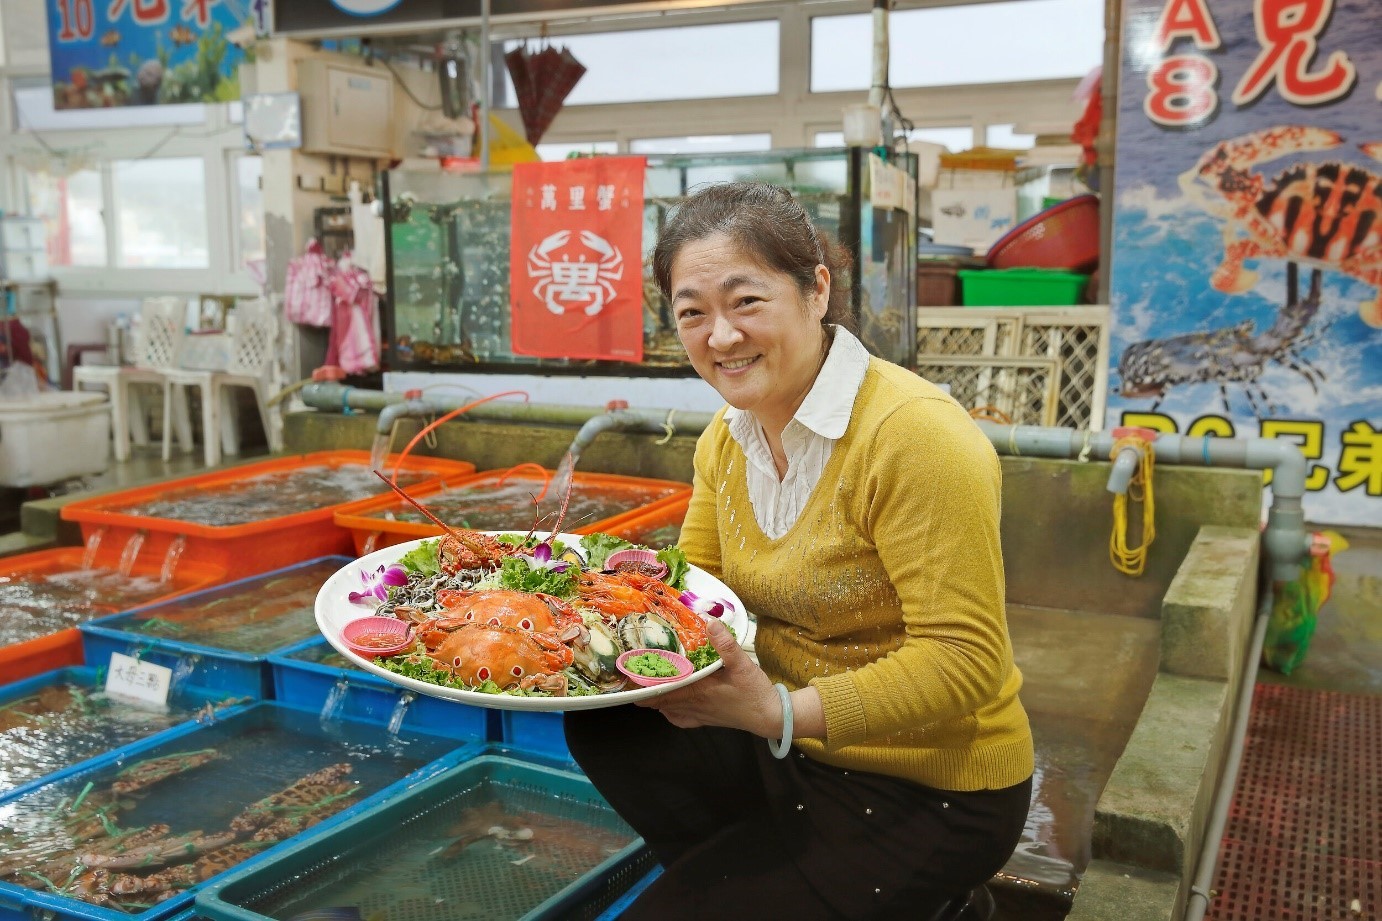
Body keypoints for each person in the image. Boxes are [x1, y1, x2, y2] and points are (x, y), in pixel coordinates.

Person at [564, 182, 1033, 921]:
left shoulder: (915, 436)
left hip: (930, 786)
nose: (720, 336)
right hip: (791, 747)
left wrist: (781, 710)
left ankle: (920, 895)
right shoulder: (729, 434)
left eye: (746, 301)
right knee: (609, 718)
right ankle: (767, 875)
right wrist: (581, 610)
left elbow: (965, 660)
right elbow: (699, 591)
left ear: (817, 290)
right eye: (693, 312)